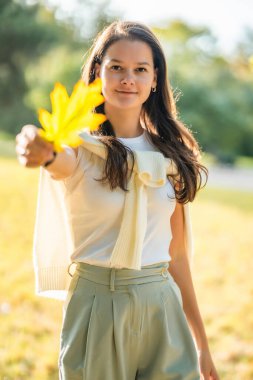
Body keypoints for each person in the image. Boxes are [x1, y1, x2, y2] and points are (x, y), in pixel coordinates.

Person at [16, 21, 219, 380]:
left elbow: (178, 256)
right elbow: (53, 159)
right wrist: (36, 147)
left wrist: (201, 343)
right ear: (98, 72)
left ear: (155, 78)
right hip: (97, 305)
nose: (129, 79)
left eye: (140, 69)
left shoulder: (170, 156)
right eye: (116, 67)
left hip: (161, 304)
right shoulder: (79, 149)